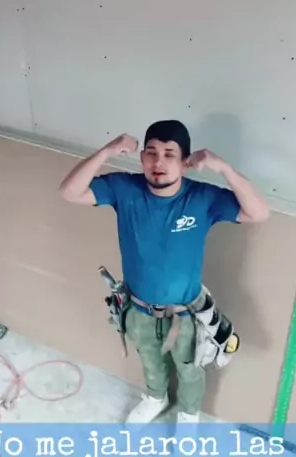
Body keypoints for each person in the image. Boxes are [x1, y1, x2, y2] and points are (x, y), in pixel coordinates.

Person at [59, 120, 270, 424]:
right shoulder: (123, 188)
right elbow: (69, 192)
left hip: (186, 314)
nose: (158, 163)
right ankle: (156, 398)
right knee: (150, 361)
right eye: (151, 153)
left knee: (190, 368)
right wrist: (106, 151)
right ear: (142, 157)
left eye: (169, 154)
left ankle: (188, 415)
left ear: (185, 163)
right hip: (139, 309)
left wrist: (223, 167)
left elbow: (259, 212)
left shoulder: (202, 198)